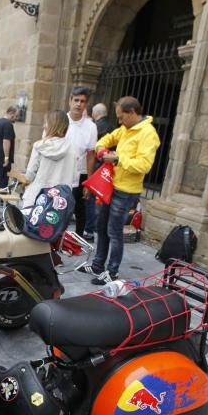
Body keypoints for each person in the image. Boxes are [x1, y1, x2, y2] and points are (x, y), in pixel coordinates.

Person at [78, 96, 160, 285]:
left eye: (121, 117)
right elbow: (107, 138)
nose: (119, 121)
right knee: (101, 227)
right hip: (111, 186)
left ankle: (112, 272)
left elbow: (144, 165)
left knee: (114, 232)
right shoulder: (126, 128)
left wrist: (117, 159)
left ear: (132, 113)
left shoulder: (148, 133)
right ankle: (98, 265)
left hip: (126, 191)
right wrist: (100, 149)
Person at [22, 110, 77, 207]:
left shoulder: (40, 146)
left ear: (50, 125)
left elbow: (30, 175)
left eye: (45, 122)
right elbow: (74, 179)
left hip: (37, 198)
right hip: (59, 203)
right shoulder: (72, 148)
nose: (44, 125)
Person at [66, 86, 97, 236]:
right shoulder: (61, 121)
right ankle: (55, 238)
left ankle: (77, 238)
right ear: (70, 101)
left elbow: (91, 154)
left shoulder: (91, 127)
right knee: (60, 207)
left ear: (86, 104)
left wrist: (89, 183)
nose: (78, 104)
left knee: (80, 209)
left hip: (81, 173)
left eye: (82, 101)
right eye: (76, 100)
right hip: (61, 172)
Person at [84, 103, 114, 241]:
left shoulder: (95, 127)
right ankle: (95, 227)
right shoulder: (112, 127)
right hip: (108, 169)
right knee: (102, 200)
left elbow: (92, 150)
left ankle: (89, 229)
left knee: (90, 200)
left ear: (95, 113)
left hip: (97, 167)